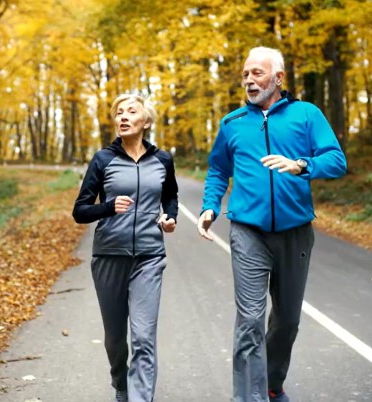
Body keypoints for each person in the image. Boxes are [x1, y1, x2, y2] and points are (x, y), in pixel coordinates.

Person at [197, 47, 347, 402]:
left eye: (257, 74)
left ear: (278, 78)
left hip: (295, 232)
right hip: (248, 231)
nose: (249, 80)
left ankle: (271, 384)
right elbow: (219, 169)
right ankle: (249, 397)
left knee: (287, 321)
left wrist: (301, 165)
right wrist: (209, 207)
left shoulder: (306, 115)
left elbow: (336, 160)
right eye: (246, 74)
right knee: (250, 319)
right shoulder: (232, 123)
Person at [72, 94, 178, 402]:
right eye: (119, 112)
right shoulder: (103, 159)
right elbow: (80, 211)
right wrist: (107, 207)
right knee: (116, 339)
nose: (123, 116)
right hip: (108, 256)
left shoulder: (162, 160)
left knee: (144, 336)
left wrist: (169, 217)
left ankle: (140, 397)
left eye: (131, 111)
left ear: (146, 121)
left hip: (149, 257)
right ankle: (121, 384)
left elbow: (170, 196)